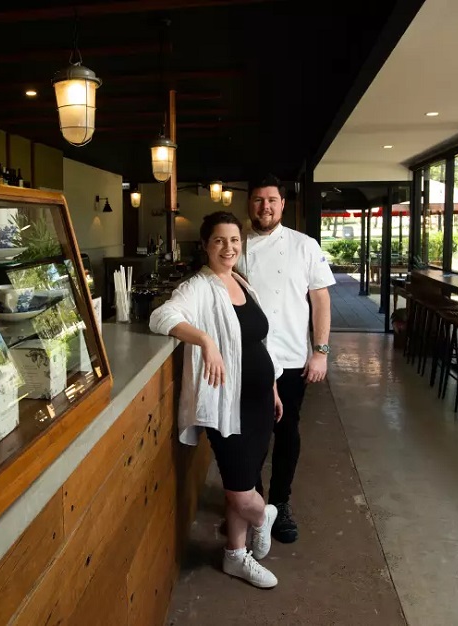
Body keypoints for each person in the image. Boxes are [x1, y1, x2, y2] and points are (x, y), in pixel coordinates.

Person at [149, 211, 284, 589]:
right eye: (220, 241)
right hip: (229, 404)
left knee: (242, 481)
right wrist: (205, 340)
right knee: (242, 492)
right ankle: (265, 516)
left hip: (260, 400)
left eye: (235, 240)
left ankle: (234, 555)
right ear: (206, 246)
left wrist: (272, 386)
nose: (228, 248)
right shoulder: (199, 286)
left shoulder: (241, 281)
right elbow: (162, 317)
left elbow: (259, 342)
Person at [236, 173, 335, 544]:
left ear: (282, 204)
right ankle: (256, 507)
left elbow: (321, 299)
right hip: (250, 359)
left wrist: (320, 352)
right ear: (250, 204)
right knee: (252, 435)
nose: (265, 206)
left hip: (293, 356)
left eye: (272, 200)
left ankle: (281, 503)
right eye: (258, 200)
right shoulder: (237, 246)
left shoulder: (304, 245)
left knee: (286, 431)